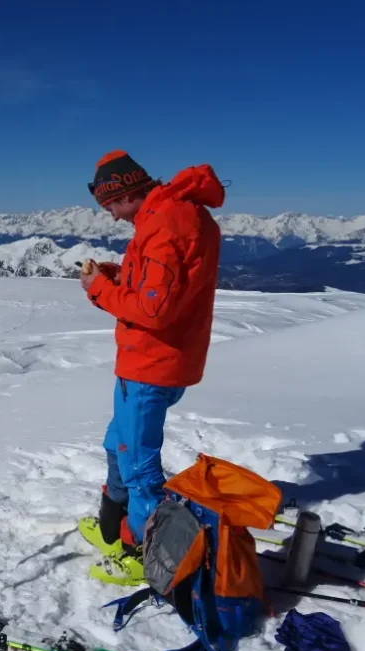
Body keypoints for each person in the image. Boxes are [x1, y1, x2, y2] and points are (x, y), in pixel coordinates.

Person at [77, 150, 224, 586]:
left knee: (139, 464)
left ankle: (146, 551)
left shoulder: (164, 225)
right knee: (118, 442)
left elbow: (153, 311)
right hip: (158, 359)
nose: (112, 218)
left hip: (151, 362)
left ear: (126, 192)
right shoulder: (173, 213)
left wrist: (99, 288)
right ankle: (114, 527)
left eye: (111, 207)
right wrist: (121, 275)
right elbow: (166, 288)